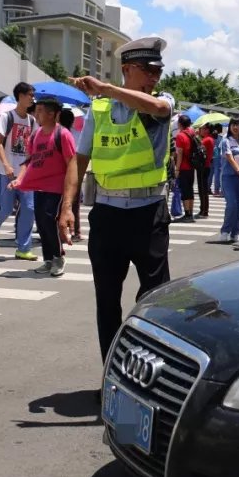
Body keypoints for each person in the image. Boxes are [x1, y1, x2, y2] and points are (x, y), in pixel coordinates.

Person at [61, 36, 177, 365]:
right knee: (107, 302)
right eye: (147, 70)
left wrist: (106, 88)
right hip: (108, 216)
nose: (154, 77)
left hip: (148, 215)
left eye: (158, 70)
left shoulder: (162, 102)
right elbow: (79, 159)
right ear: (127, 69)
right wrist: (67, 206)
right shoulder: (98, 108)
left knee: (156, 299)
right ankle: (113, 374)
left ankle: (151, 369)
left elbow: (154, 107)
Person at [10, 96, 76, 277]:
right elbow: (29, 160)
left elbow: (72, 163)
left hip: (56, 187)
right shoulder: (36, 134)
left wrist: (69, 196)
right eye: (36, 110)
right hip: (39, 187)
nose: (36, 114)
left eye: (40, 111)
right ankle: (48, 260)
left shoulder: (62, 134)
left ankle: (58, 257)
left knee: (50, 221)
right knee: (41, 223)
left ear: (52, 114)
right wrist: (20, 179)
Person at [0, 82, 38, 260]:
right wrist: (6, 164)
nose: (32, 98)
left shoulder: (32, 121)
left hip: (25, 174)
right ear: (20, 95)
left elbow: (32, 148)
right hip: (7, 173)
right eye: (29, 94)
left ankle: (23, 248)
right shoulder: (7, 117)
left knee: (28, 208)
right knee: (4, 210)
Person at [218, 118, 239, 242]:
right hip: (228, 177)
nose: (235, 127)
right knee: (232, 204)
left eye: (238, 125)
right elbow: (230, 159)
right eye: (233, 125)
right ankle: (225, 231)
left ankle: (235, 232)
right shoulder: (226, 141)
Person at [58, 108, 84, 242]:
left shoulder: (60, 134)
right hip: (77, 172)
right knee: (75, 206)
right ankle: (77, 232)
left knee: (62, 204)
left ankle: (63, 231)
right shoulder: (78, 133)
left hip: (64, 174)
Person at [172, 115, 197, 222]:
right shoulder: (192, 133)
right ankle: (190, 212)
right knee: (190, 190)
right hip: (192, 166)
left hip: (184, 166)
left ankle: (187, 214)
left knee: (185, 191)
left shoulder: (180, 136)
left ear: (180, 124)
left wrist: (177, 169)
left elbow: (180, 154)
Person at [196, 123, 214, 218]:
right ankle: (203, 208)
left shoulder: (206, 140)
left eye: (202, 128)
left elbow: (199, 148)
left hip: (203, 166)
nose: (200, 130)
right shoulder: (209, 139)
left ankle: (204, 210)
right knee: (203, 188)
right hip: (206, 165)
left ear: (207, 130)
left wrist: (197, 137)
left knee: (202, 189)